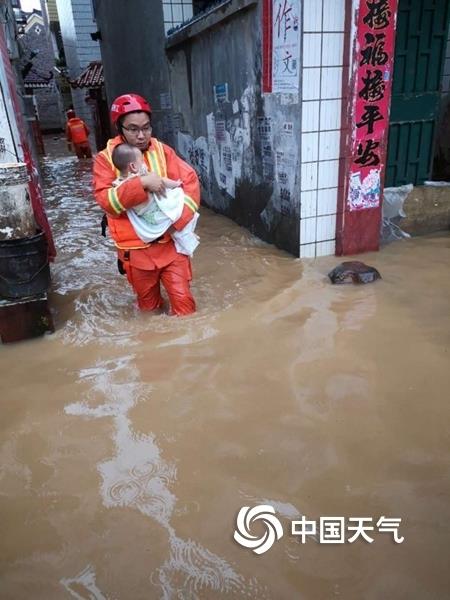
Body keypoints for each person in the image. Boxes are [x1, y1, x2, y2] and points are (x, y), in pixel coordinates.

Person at [92, 93, 200, 315]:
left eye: (146, 127)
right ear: (120, 129)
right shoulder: (106, 159)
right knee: (148, 308)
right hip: (136, 252)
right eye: (133, 129)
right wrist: (142, 183)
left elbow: (189, 182)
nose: (141, 135)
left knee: (185, 305)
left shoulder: (163, 151)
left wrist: (177, 224)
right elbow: (106, 201)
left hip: (171, 244)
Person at [111, 143, 200, 256]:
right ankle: (187, 234)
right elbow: (162, 181)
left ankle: (186, 236)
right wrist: (177, 184)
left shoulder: (117, 185)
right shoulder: (143, 176)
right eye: (142, 161)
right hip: (158, 210)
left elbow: (115, 201)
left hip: (149, 218)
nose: (144, 163)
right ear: (133, 167)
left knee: (172, 224)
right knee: (178, 199)